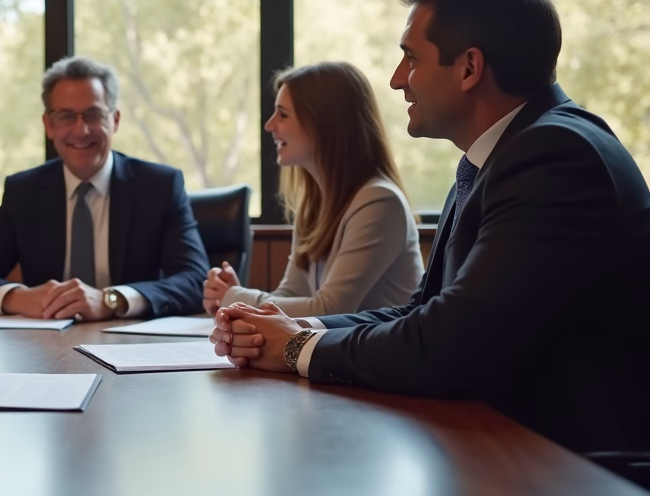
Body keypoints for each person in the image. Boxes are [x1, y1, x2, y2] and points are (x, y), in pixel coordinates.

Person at [211, 0, 650, 454]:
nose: (396, 79)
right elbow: (421, 310)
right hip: (505, 448)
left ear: (469, 68)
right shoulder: (495, 158)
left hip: (575, 466)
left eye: (411, 58)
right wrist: (287, 326)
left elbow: (450, 344)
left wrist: (296, 347)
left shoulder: (554, 155)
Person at [0, 56, 208, 321]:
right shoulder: (25, 192)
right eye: (66, 116)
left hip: (131, 341)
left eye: (94, 115)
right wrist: (18, 297)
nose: (81, 130)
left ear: (115, 120)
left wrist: (112, 300)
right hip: (44, 341)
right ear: (49, 126)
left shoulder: (159, 187)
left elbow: (196, 280)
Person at [202, 62, 423, 318]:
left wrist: (236, 297)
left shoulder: (380, 202)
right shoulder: (315, 204)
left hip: (382, 346)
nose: (269, 125)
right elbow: (291, 294)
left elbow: (329, 309)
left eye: (283, 115)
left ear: (324, 124)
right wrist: (236, 298)